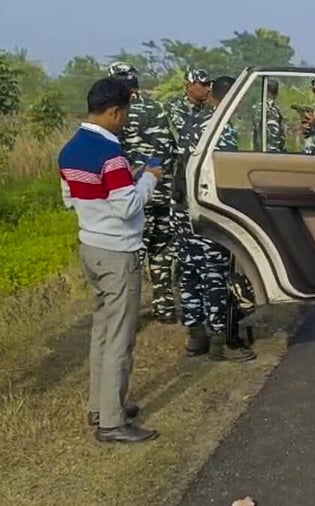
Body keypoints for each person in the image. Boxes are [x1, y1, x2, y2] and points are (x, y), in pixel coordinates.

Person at [58, 77, 161, 443]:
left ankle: (100, 405)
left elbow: (72, 197)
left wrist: (120, 187)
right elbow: (128, 206)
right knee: (120, 337)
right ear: (116, 111)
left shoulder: (70, 149)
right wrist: (148, 179)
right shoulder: (112, 155)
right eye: (125, 114)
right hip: (118, 251)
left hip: (91, 246)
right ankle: (113, 423)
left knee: (102, 330)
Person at [172, 75, 256, 362]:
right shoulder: (223, 130)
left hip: (182, 210)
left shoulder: (191, 123)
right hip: (206, 211)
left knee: (190, 273)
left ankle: (196, 337)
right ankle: (222, 340)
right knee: (215, 274)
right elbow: (225, 176)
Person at [107, 62, 178, 324]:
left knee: (133, 256)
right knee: (162, 252)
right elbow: (168, 146)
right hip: (162, 190)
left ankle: (128, 314)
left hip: (134, 194)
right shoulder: (156, 107)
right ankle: (165, 307)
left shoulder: (115, 112)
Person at [166, 68, 211, 148]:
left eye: (209, 84)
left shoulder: (206, 108)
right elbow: (185, 134)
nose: (208, 89)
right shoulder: (176, 107)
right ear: (190, 85)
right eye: (203, 84)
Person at [252, 79, 286, 152]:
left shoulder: (258, 107)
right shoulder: (272, 109)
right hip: (270, 150)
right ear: (277, 93)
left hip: (264, 150)